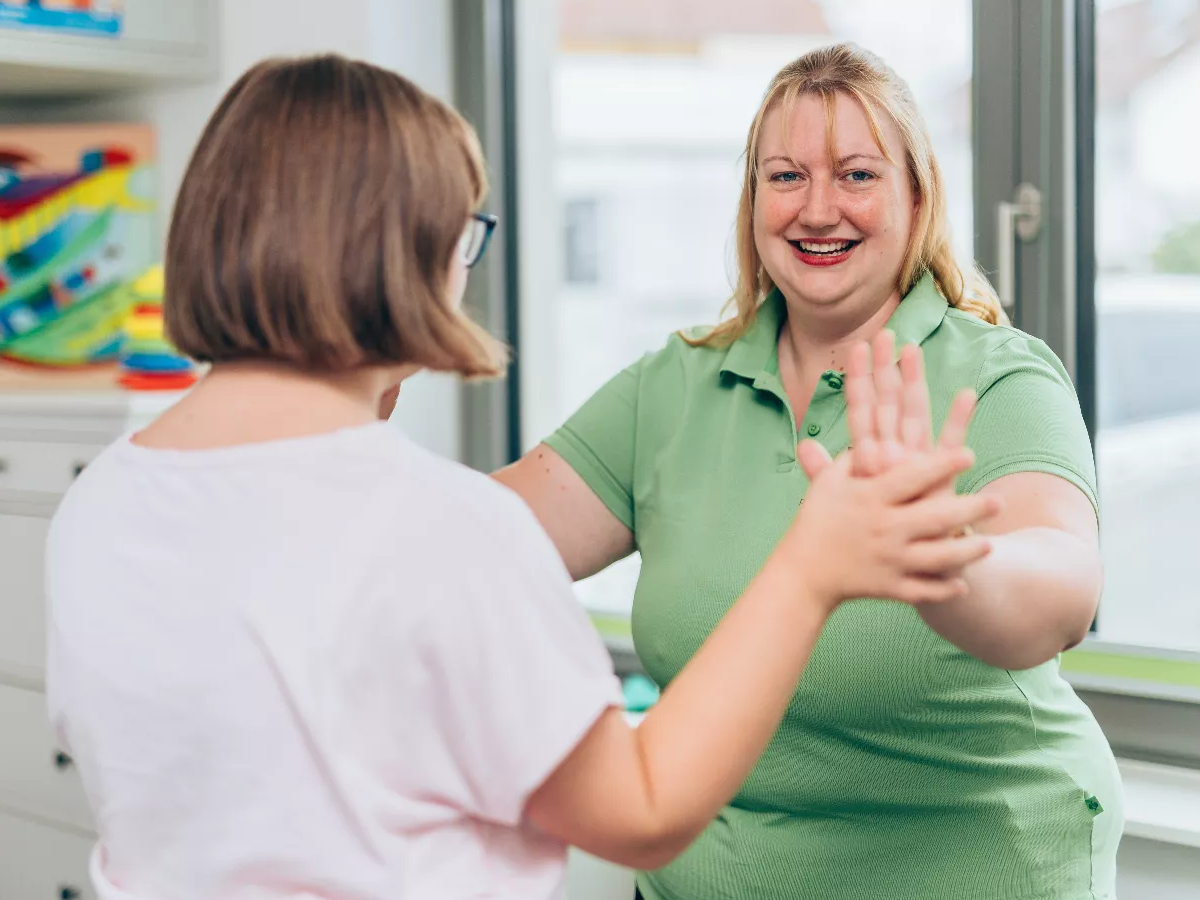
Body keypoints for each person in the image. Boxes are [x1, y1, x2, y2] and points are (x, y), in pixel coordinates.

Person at [43, 55, 996, 900]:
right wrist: (811, 568)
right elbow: (644, 809)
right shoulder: (445, 530)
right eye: (463, 241)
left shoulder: (100, 502)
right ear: (404, 257)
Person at [495, 43, 1122, 900]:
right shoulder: (673, 386)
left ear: (916, 194)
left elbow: (1062, 590)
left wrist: (943, 555)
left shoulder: (1002, 375)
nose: (817, 210)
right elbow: (477, 548)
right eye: (785, 177)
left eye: (857, 175)